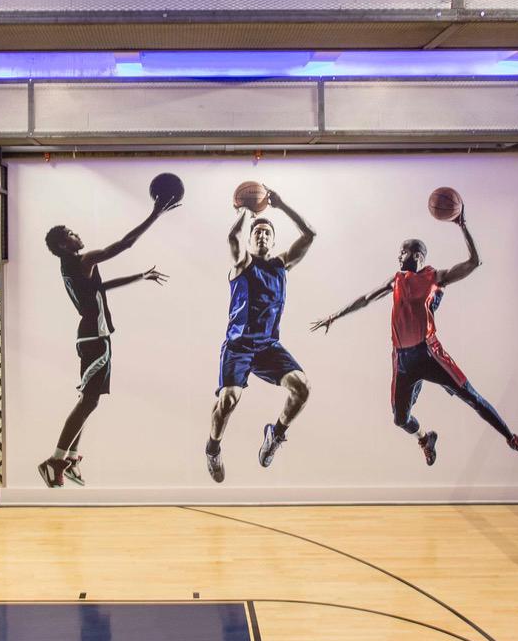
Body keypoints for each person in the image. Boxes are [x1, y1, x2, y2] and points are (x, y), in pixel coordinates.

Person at [310, 205, 518, 465]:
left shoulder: (436, 277)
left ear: (417, 254)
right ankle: (424, 438)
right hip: (403, 360)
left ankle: (512, 439)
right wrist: (335, 316)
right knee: (400, 419)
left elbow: (474, 262)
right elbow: (365, 299)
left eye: (403, 252)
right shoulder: (396, 280)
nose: (398, 257)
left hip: (430, 353)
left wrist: (462, 225)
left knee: (472, 398)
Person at [39, 193, 177, 487]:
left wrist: (140, 276)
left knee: (91, 401)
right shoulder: (82, 260)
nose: (77, 235)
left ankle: (71, 457)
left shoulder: (76, 266)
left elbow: (101, 289)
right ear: (64, 244)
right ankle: (55, 459)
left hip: (93, 335)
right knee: (88, 400)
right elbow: (124, 244)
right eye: (71, 234)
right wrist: (155, 214)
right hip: (94, 337)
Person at [207, 189, 315, 482]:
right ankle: (213, 448)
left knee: (302, 387)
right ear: (251, 239)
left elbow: (309, 234)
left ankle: (275, 434)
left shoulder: (281, 265)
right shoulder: (243, 263)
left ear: (274, 240)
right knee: (228, 401)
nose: (262, 236)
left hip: (267, 346)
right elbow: (233, 238)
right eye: (258, 233)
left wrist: (282, 205)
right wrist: (246, 210)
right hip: (239, 346)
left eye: (267, 233)